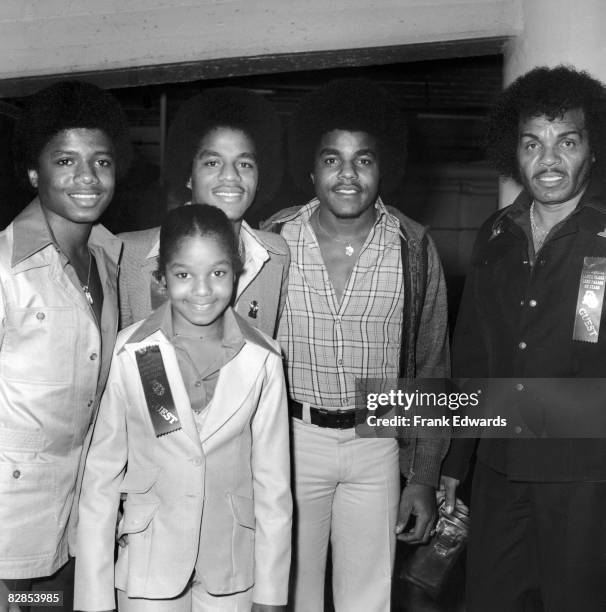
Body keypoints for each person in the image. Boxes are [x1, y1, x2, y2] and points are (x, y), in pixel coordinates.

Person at [264, 78, 450, 611]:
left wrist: (423, 476)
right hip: (292, 440)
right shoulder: (272, 238)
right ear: (311, 168)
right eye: (332, 159)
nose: (347, 174)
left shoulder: (413, 246)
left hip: (377, 439)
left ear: (382, 166)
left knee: (368, 601)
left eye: (362, 160)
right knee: (287, 595)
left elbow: (432, 365)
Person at [441, 65, 606, 612]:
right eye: (533, 143)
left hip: (585, 478)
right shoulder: (495, 232)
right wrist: (453, 463)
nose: (549, 159)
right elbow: (473, 354)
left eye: (567, 142)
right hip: (499, 471)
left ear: (593, 147)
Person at [73, 204, 292, 612]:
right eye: (183, 275)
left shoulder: (264, 358)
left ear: (238, 272)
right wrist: (93, 597)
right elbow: (101, 479)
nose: (202, 290)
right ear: (161, 277)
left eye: (218, 273)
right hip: (148, 567)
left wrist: (272, 591)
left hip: (231, 570)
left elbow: (274, 485)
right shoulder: (132, 351)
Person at [0, 81, 130, 611]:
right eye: (65, 160)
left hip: (78, 516)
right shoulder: (8, 268)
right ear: (35, 172)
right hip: (11, 520)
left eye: (100, 161)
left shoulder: (108, 262)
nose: (86, 177)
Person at [119, 87, 289, 337]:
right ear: (188, 176)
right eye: (212, 162)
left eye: (245, 164)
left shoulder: (277, 257)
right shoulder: (127, 254)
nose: (231, 176)